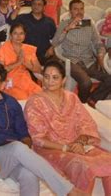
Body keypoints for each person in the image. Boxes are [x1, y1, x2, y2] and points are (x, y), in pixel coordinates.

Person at [0, 62, 85, 196]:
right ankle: (69, 190)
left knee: (29, 174)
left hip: (12, 156)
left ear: (3, 85)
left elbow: (25, 136)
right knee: (17, 148)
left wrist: (25, 152)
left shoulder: (12, 103)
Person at [24, 60, 111, 194]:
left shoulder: (72, 98)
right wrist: (66, 147)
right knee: (84, 166)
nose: (49, 81)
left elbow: (86, 123)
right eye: (46, 77)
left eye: (55, 77)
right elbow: (38, 139)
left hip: (77, 145)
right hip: (51, 149)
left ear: (63, 80)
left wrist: (79, 143)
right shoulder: (35, 102)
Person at [52, 0, 111, 105]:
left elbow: (98, 43)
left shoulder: (89, 25)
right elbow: (55, 43)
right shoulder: (64, 24)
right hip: (72, 60)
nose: (79, 12)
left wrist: (100, 56)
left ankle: (92, 100)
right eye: (75, 9)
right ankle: (81, 105)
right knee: (86, 83)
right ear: (70, 11)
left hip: (88, 60)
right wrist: (67, 29)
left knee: (109, 78)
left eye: (81, 9)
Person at [0, 23, 42, 100]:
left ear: (25, 35)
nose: (18, 36)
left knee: (41, 96)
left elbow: (38, 69)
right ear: (11, 35)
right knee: (23, 98)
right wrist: (18, 62)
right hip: (9, 81)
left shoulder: (28, 49)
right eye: (15, 33)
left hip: (25, 80)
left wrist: (24, 62)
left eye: (21, 33)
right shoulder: (5, 47)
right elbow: (0, 70)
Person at [8, 0, 56, 64]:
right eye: (34, 4)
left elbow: (55, 37)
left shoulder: (49, 21)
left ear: (44, 7)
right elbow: (11, 21)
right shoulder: (23, 18)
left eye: (39, 4)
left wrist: (52, 48)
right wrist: (17, 8)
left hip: (45, 54)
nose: (36, 6)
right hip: (26, 55)